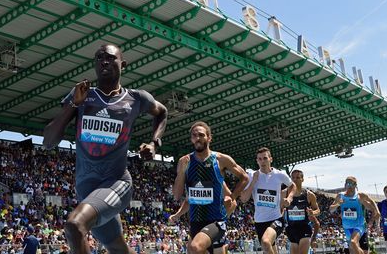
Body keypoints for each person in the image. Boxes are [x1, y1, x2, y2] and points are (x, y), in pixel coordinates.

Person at [43, 43, 168, 254]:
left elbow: (162, 113)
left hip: (116, 184)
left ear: (123, 64)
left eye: (110, 58)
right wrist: (74, 104)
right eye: (99, 57)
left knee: (74, 225)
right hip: (86, 189)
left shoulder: (137, 99)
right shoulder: (82, 96)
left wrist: (154, 143)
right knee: (116, 247)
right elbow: (48, 142)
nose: (104, 61)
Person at [173, 121, 249, 254]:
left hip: (216, 220)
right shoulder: (184, 161)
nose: (197, 138)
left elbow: (244, 178)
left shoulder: (220, 160)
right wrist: (181, 173)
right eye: (194, 135)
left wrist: (231, 197)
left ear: (209, 138)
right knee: (195, 250)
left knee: (195, 247)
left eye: (201, 135)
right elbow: (177, 195)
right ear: (191, 139)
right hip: (195, 221)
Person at [239, 147, 295, 254]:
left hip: (276, 218)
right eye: (259, 159)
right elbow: (244, 199)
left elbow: (293, 186)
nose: (262, 161)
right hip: (259, 221)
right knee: (270, 249)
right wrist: (253, 182)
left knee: (265, 242)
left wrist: (289, 197)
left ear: (270, 159)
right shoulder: (252, 175)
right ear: (257, 161)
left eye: (265, 158)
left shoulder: (279, 174)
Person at [329, 176, 380, 254]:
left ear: (355, 185)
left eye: (351, 184)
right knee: (353, 250)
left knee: (353, 242)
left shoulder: (360, 196)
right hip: (347, 227)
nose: (349, 186)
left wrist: (377, 212)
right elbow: (331, 210)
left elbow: (372, 201)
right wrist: (338, 204)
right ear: (345, 185)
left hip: (359, 225)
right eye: (347, 183)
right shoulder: (340, 196)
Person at [283, 170, 320, 254]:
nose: (295, 180)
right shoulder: (284, 193)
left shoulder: (309, 195)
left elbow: (318, 210)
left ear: (302, 179)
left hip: (304, 228)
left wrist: (313, 213)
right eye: (293, 178)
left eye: (298, 178)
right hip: (291, 229)